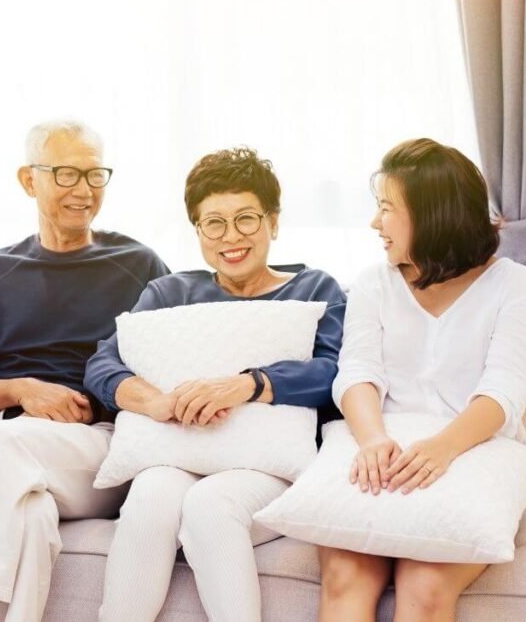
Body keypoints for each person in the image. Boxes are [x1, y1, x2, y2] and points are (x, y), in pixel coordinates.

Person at [85, 146, 347, 622]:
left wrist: (248, 385)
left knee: (209, 504)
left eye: (246, 219)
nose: (231, 237)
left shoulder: (314, 290)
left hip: (266, 467)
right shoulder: (169, 294)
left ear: (274, 222)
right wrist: (158, 401)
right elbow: (103, 366)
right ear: (198, 230)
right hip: (178, 454)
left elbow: (337, 374)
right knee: (149, 496)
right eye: (214, 224)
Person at [0, 120, 170, 622]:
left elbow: (176, 358)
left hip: (100, 450)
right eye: (65, 174)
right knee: (28, 515)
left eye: (95, 175)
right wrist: (25, 390)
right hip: (14, 444)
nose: (83, 191)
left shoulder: (138, 263)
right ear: (27, 179)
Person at [319, 138, 526, 621]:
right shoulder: (373, 283)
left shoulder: (512, 284)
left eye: (385, 209)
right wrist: (374, 438)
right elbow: (357, 371)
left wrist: (441, 449)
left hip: (473, 449)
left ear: (432, 214)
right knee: (346, 576)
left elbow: (505, 388)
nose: (374, 224)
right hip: (383, 447)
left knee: (423, 585)